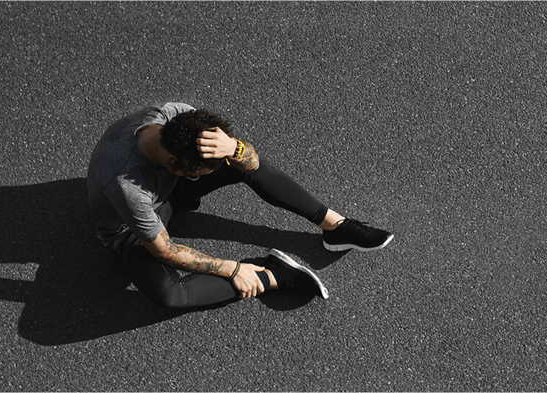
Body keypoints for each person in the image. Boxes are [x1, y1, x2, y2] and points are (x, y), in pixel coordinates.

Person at [87, 102, 393, 308]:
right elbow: (164, 250)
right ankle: (272, 273)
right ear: (173, 163)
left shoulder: (174, 115)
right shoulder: (125, 184)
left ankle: (334, 226)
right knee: (168, 295)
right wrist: (234, 269)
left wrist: (234, 147)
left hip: (170, 187)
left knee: (238, 163)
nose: (205, 178)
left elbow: (252, 162)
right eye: (199, 174)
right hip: (129, 231)